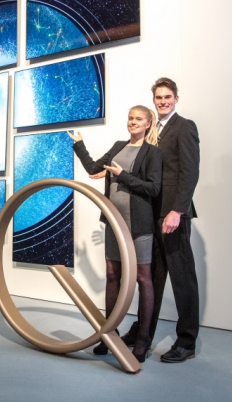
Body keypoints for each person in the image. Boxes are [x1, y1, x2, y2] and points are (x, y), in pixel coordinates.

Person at [68, 106, 162, 362]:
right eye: (130, 118)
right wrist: (79, 144)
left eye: (138, 119)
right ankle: (109, 334)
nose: (133, 122)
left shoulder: (153, 153)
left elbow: (153, 189)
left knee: (143, 279)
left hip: (139, 225)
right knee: (112, 275)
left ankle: (142, 339)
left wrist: (124, 176)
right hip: (113, 222)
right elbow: (93, 168)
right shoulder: (119, 146)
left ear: (148, 124)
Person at [121, 77, 200, 363]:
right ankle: (143, 331)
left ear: (176, 98)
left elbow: (190, 172)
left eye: (168, 97)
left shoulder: (184, 127)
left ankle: (186, 342)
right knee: (151, 279)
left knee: (182, 279)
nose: (163, 101)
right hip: (151, 214)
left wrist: (177, 211)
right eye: (158, 97)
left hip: (172, 215)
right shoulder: (152, 130)